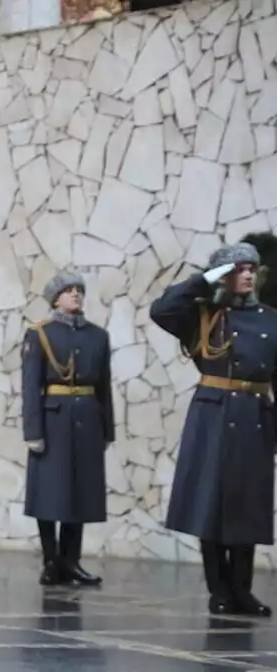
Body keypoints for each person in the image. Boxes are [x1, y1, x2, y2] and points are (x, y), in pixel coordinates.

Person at [150, 242, 277, 616]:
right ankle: (218, 589)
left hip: (255, 417)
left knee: (246, 506)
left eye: (252, 268)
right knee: (211, 504)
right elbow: (162, 309)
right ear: (224, 275)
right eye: (239, 269)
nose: (248, 274)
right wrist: (205, 280)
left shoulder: (271, 319)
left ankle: (242, 590)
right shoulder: (202, 316)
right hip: (213, 415)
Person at [21, 270, 112, 588]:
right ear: (55, 298)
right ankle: (51, 561)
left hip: (87, 419)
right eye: (68, 290)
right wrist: (32, 430)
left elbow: (104, 387)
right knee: (49, 493)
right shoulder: (40, 334)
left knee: (80, 493)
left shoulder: (98, 336)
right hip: (52, 420)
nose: (75, 295)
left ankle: (71, 562)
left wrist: (107, 429)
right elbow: (31, 385)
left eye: (79, 290)